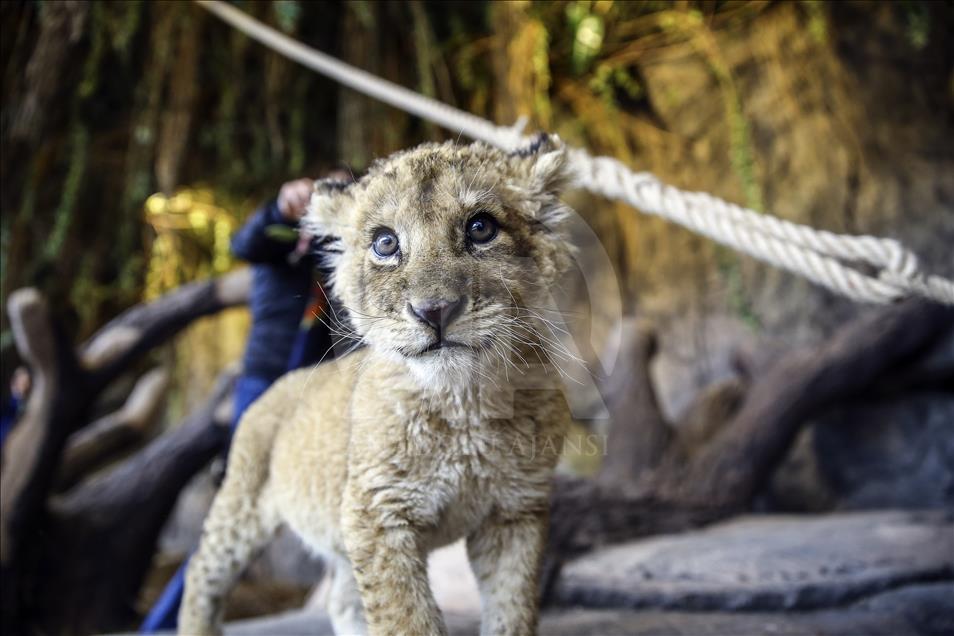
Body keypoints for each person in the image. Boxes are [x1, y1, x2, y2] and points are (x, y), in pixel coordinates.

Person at [141, 174, 345, 633]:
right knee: (234, 514)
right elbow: (245, 242)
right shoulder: (279, 240)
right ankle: (162, 626)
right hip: (263, 382)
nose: (333, 197)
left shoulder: (344, 255)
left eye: (344, 191)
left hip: (315, 392)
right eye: (325, 191)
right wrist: (280, 209)